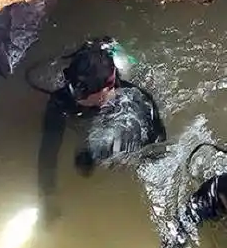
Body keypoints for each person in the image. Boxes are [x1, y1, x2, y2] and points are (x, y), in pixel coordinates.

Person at [36, 39, 167, 220]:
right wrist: (48, 195)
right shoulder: (61, 101)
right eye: (73, 89)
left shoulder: (137, 101)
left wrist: (131, 157)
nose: (74, 97)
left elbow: (158, 148)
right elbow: (48, 149)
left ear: (106, 88)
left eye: (82, 94)